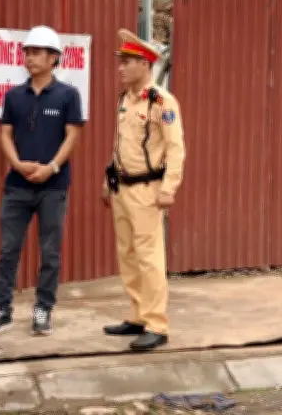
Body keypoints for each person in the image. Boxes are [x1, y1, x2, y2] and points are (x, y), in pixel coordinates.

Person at [0, 25, 84, 338]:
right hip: (17, 186)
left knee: (50, 252)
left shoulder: (68, 95)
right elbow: (5, 134)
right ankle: (2, 310)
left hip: (53, 187)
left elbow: (73, 135)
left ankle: (43, 310)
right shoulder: (14, 96)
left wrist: (51, 167)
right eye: (27, 52)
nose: (30, 57)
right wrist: (16, 164)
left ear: (54, 58)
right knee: (9, 250)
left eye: (37, 52)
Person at [101, 29, 185, 351]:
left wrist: (169, 188)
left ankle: (156, 324)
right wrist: (108, 181)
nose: (120, 68)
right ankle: (137, 314)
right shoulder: (125, 100)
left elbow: (176, 148)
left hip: (148, 190)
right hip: (122, 188)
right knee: (128, 254)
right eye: (120, 62)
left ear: (145, 64)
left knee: (149, 257)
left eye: (127, 62)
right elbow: (120, 145)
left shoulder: (161, 101)